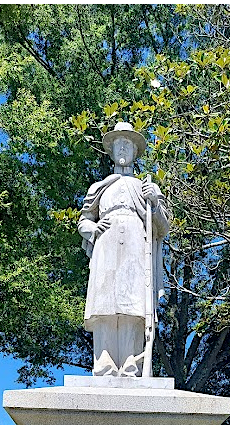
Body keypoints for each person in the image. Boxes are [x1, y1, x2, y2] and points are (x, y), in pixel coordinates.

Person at [78, 121, 170, 376]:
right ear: (111, 150)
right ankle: (104, 364)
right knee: (104, 304)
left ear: (134, 152)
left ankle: (132, 363)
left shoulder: (145, 186)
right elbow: (84, 219)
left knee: (132, 304)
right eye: (118, 144)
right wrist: (92, 230)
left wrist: (154, 200)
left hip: (135, 244)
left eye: (127, 145)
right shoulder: (100, 187)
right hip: (106, 244)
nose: (122, 149)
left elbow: (162, 227)